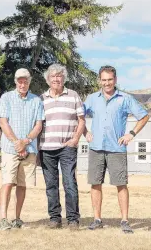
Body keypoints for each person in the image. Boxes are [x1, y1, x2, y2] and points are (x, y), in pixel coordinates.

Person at [83, 65, 149, 233]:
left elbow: (144, 116)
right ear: (99, 80)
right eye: (104, 80)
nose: (107, 83)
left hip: (117, 148)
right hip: (96, 148)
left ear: (115, 80)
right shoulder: (91, 98)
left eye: (110, 80)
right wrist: (85, 131)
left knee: (121, 185)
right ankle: (97, 219)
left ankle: (125, 221)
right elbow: (78, 115)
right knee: (95, 184)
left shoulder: (125, 98)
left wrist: (131, 134)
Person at [0, 68, 45, 230]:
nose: (22, 84)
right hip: (11, 148)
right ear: (15, 81)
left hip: (29, 149)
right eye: (19, 81)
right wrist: (17, 142)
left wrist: (26, 141)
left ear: (29, 82)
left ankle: (17, 219)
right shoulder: (6, 97)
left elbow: (39, 125)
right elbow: (3, 122)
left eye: (25, 81)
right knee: (8, 182)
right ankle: (3, 219)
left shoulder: (36, 100)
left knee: (22, 185)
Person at [39, 64, 85, 230]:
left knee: (70, 183)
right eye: (53, 77)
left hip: (67, 147)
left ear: (64, 78)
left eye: (59, 76)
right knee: (51, 185)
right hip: (46, 148)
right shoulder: (42, 98)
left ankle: (73, 219)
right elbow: (38, 123)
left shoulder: (73, 95)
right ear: (48, 80)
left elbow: (82, 120)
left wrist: (75, 139)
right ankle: (55, 218)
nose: (56, 79)